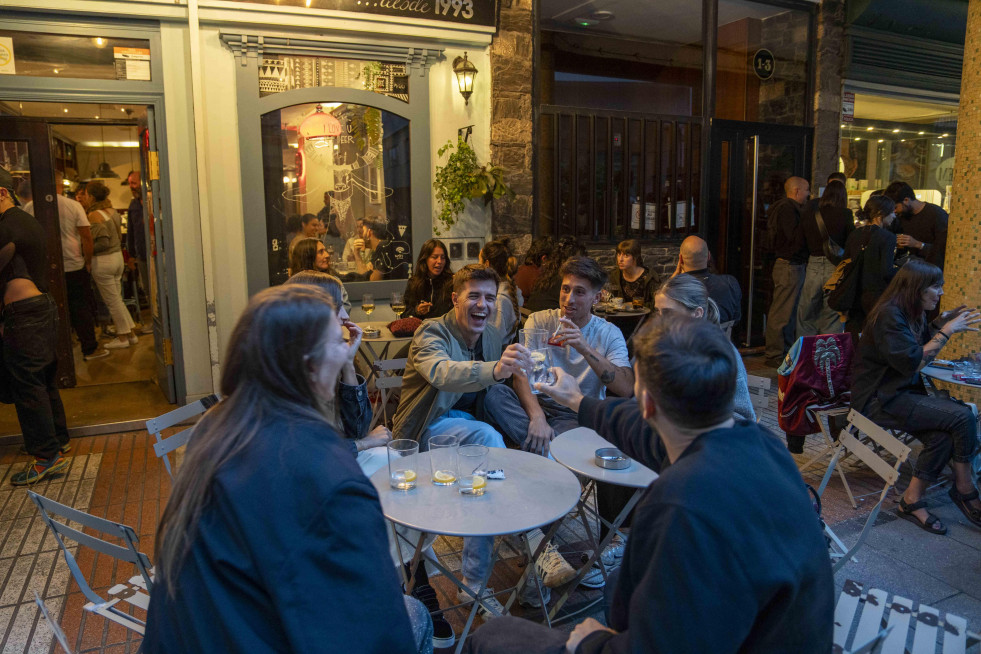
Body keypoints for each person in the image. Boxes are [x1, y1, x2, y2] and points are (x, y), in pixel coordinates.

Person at [469, 317, 834, 654]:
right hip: (775, 632)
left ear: (645, 401)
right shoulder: (761, 443)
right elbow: (643, 431)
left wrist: (590, 643)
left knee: (492, 637)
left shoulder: (681, 504)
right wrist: (580, 402)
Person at [144, 285, 433, 654]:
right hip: (254, 632)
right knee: (415, 615)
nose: (347, 349)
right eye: (338, 341)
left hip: (199, 633)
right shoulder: (328, 472)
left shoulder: (215, 429)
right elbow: (379, 629)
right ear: (309, 363)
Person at [392, 264, 537, 619]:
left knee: (482, 491)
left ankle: (481, 582)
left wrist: (537, 409)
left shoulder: (489, 336)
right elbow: (442, 373)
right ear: (455, 299)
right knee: (487, 444)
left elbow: (506, 380)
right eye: (474, 296)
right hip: (423, 435)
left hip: (469, 431)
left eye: (490, 297)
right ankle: (531, 536)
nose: (483, 305)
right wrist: (496, 370)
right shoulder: (431, 333)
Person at [851, 260, 981, 534]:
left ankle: (911, 499)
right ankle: (965, 487)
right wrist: (947, 331)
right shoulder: (889, 315)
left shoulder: (911, 312)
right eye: (936, 286)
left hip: (899, 395)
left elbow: (913, 346)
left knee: (944, 435)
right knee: (963, 416)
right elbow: (912, 361)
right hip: (878, 400)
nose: (941, 292)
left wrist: (937, 323)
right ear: (916, 289)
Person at [0, 166, 72, 484]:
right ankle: (58, 441)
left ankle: (46, 457)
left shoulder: (8, 226)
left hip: (25, 313)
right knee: (43, 380)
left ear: (2, 192)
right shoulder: (25, 221)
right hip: (40, 307)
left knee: (29, 386)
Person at [24, 173, 107, 360]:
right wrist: (88, 261)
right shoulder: (73, 205)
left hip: (45, 266)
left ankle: (55, 351)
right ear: (61, 184)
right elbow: (86, 236)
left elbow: (28, 237)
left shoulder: (30, 206)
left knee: (50, 309)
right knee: (80, 307)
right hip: (73, 264)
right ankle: (89, 348)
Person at [81, 181, 137, 350]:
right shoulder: (112, 211)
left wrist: (86, 256)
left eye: (85, 194)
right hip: (118, 258)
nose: (83, 197)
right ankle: (131, 334)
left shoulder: (94, 215)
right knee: (117, 300)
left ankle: (122, 338)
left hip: (104, 261)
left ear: (91, 196)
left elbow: (102, 243)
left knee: (112, 302)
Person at [797, 179, 855, 337]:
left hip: (813, 265)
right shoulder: (845, 214)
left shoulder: (810, 214)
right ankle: (826, 356)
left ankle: (806, 355)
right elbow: (851, 241)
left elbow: (800, 241)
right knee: (831, 314)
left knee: (806, 314)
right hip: (835, 267)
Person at [764, 176, 810, 366]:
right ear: (797, 191)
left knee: (787, 311)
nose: (809, 194)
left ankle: (783, 351)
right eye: (807, 190)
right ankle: (775, 353)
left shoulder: (781, 208)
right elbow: (794, 239)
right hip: (789, 265)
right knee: (783, 311)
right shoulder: (788, 210)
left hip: (788, 265)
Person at [840, 195, 898, 340]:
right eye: (891, 212)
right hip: (875, 295)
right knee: (874, 337)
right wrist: (902, 270)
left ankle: (853, 362)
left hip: (853, 293)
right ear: (880, 214)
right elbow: (886, 271)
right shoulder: (888, 237)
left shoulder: (854, 234)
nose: (894, 216)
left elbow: (845, 264)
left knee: (853, 336)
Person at [670, 235, 741, 324]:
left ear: (680, 259)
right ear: (708, 256)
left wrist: (673, 279)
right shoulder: (730, 283)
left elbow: (664, 319)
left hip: (690, 337)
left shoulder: (676, 289)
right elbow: (737, 318)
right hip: (721, 337)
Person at [884, 180, 948, 271]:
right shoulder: (902, 217)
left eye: (895, 207)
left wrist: (918, 244)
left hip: (932, 271)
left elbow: (943, 250)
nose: (894, 211)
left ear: (906, 200)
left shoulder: (936, 214)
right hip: (913, 268)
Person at [524, 235, 586, 312]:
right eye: (579, 261)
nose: (582, 265)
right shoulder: (565, 280)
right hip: (551, 321)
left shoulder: (548, 276)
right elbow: (583, 310)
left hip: (536, 319)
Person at [290, 238, 351, 313]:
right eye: (321, 252)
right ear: (308, 257)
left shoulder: (334, 282)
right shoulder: (294, 286)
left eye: (325, 251)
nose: (327, 255)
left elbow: (345, 309)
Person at [479, 238, 520, 341]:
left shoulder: (498, 300)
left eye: (479, 261)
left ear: (486, 264)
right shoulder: (511, 290)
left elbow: (492, 341)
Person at [404, 238, 454, 319]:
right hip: (420, 330)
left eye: (443, 257)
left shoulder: (452, 282)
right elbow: (404, 315)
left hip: (445, 330)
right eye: (435, 257)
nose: (439, 261)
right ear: (425, 259)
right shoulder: (413, 283)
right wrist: (417, 311)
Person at [608, 239, 659, 308]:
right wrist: (606, 296)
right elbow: (613, 299)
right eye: (619, 254)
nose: (620, 259)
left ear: (635, 258)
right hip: (620, 316)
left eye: (626, 255)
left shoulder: (649, 277)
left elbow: (657, 304)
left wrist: (634, 305)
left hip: (644, 316)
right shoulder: (616, 275)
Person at [124, 171, 149, 308]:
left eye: (133, 183)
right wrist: (131, 256)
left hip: (157, 253)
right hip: (142, 255)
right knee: (147, 288)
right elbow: (131, 232)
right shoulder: (133, 205)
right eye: (129, 183)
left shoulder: (154, 201)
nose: (131, 187)